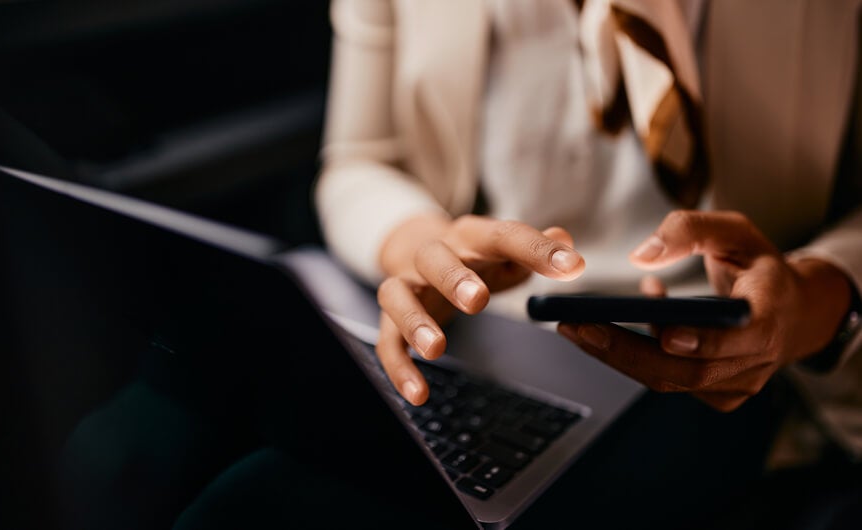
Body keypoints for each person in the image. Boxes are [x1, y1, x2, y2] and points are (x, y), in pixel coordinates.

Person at [306, 0, 862, 527]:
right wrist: (425, 244)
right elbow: (360, 160)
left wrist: (815, 298)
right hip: (491, 339)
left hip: (744, 383)